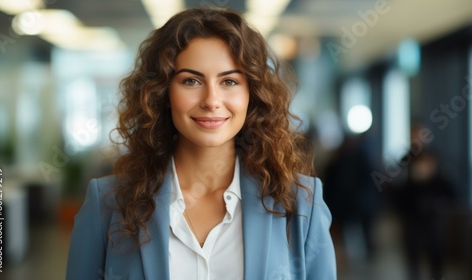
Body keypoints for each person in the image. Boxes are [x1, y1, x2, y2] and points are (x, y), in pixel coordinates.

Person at [66, 8, 336, 280]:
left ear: (251, 95)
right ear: (163, 92)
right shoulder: (108, 204)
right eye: (191, 81)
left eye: (229, 81)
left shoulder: (301, 204)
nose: (211, 100)